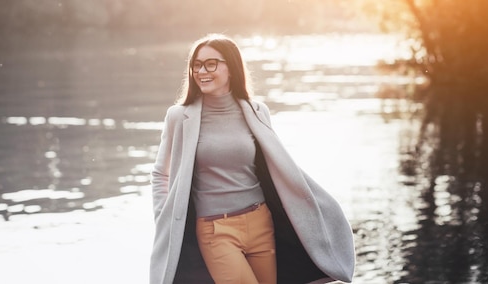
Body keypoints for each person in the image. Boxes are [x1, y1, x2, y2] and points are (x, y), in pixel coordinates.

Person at [149, 33, 355, 284]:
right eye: (196, 65)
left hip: (260, 223)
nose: (202, 71)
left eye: (211, 64)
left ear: (232, 68)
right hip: (215, 230)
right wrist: (165, 217)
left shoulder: (257, 111)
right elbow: (161, 173)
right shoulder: (179, 117)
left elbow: (276, 166)